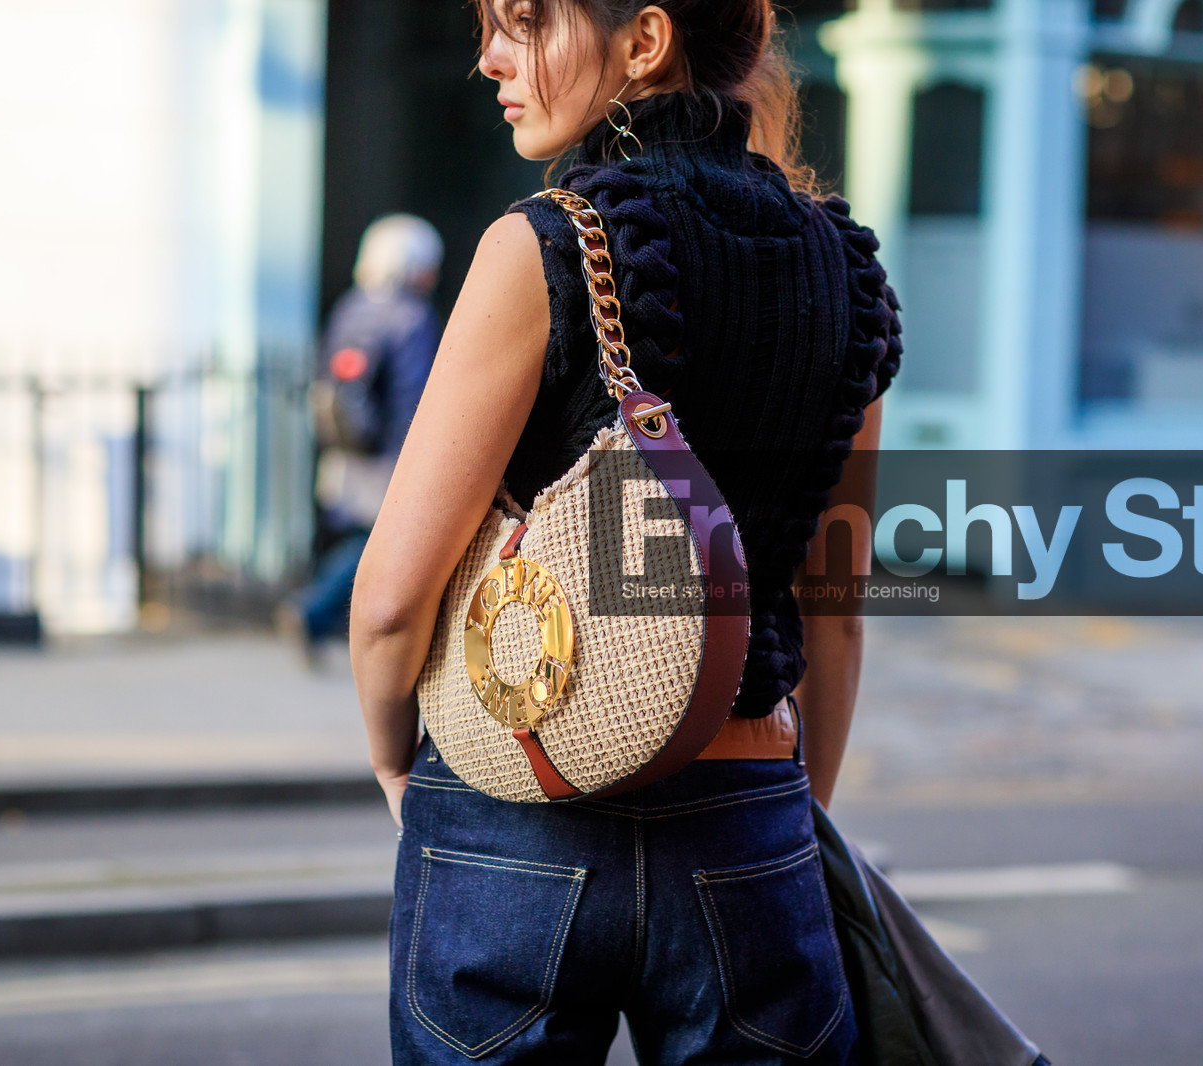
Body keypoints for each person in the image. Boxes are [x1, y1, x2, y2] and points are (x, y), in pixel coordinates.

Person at [348, 2, 901, 1063]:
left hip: (520, 807)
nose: (488, 59)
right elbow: (831, 617)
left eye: (523, 22)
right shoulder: (851, 272)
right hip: (749, 811)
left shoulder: (538, 247)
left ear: (643, 41)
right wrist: (787, 821)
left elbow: (387, 601)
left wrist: (391, 765)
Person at [279, 214, 443, 661]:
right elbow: (416, 393)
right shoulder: (411, 318)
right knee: (380, 543)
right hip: (389, 454)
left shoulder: (351, 308)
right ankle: (317, 611)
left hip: (349, 452)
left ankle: (323, 615)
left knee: (365, 539)